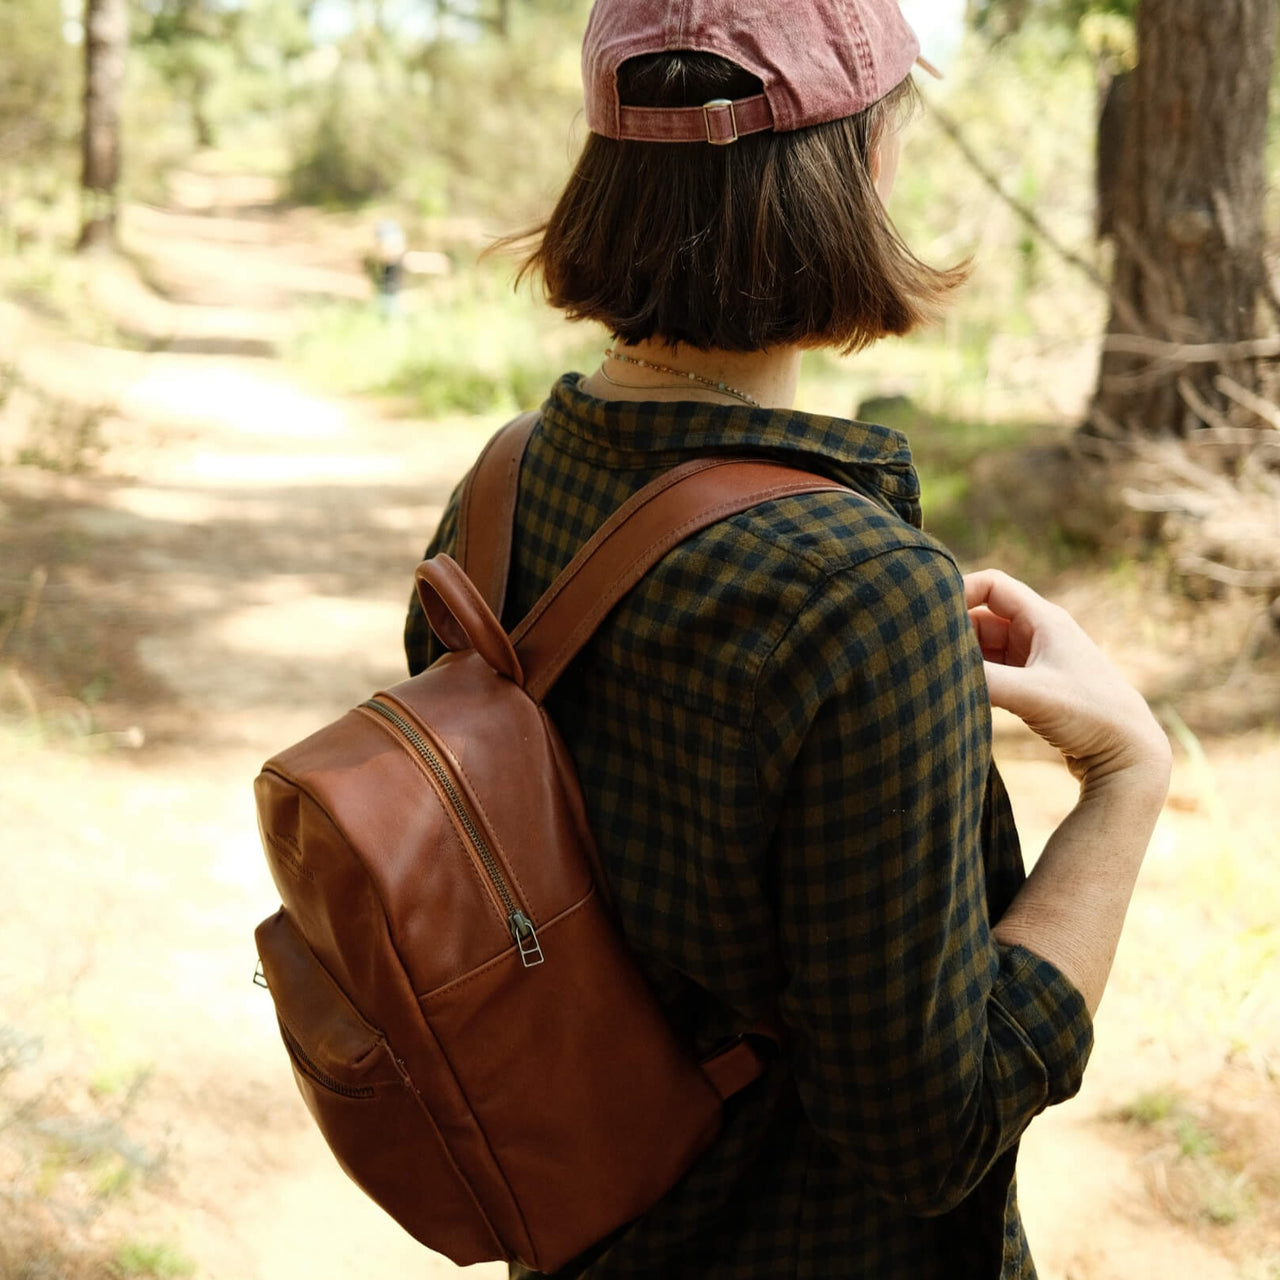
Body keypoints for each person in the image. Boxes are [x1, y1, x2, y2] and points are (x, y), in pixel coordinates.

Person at [404, 2, 1172, 1276]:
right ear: (857, 167)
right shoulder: (863, 602)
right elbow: (931, 1132)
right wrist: (1127, 777)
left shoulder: (496, 494)